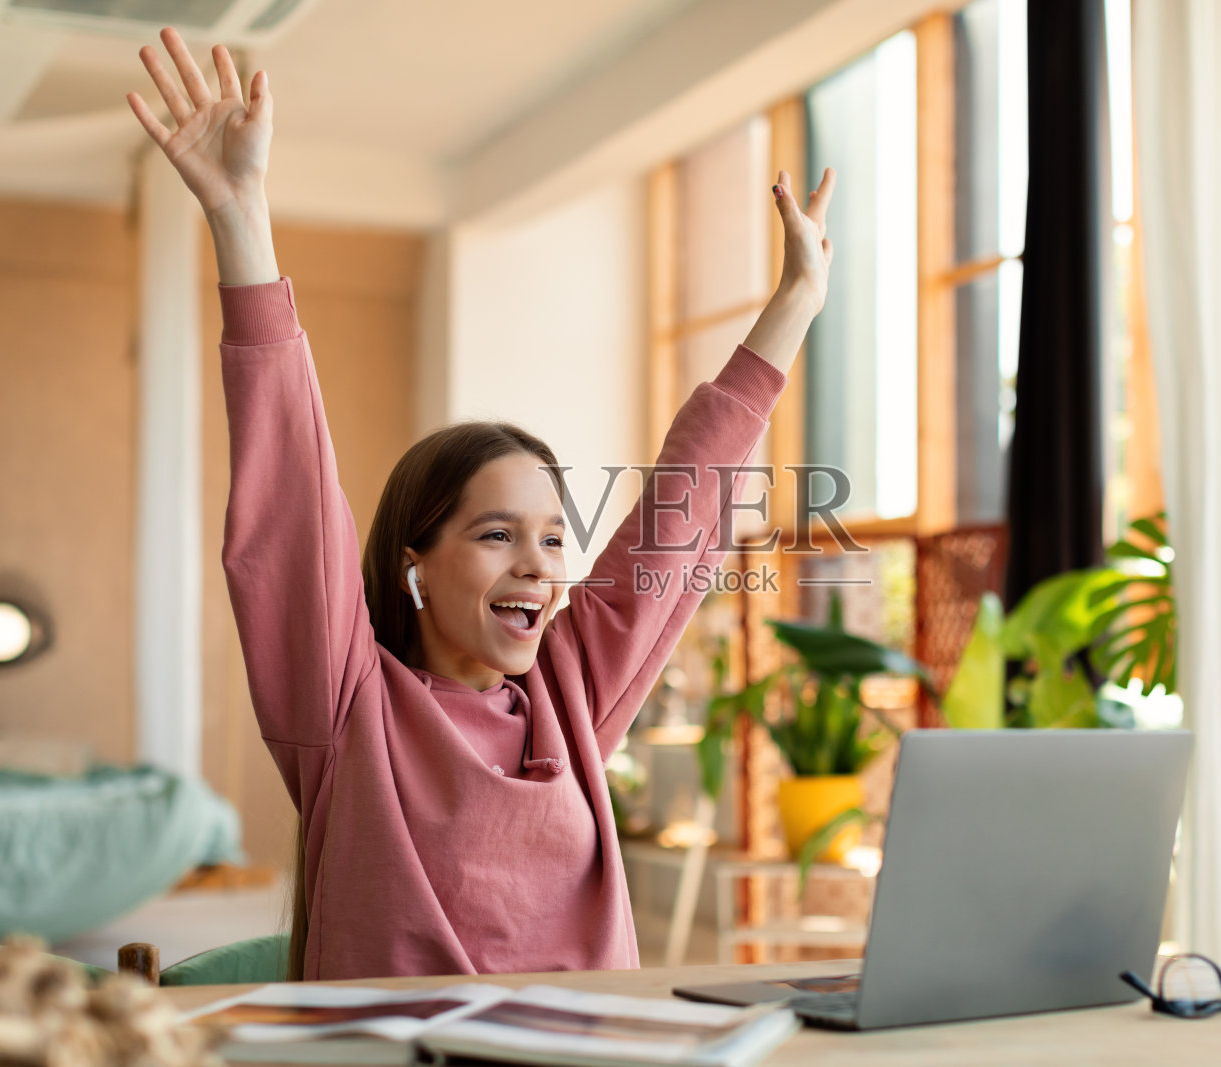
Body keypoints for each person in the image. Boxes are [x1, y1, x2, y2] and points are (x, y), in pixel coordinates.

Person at [128, 27, 835, 981]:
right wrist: (239, 216)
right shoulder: (346, 708)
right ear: (415, 559)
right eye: (497, 534)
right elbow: (290, 505)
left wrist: (794, 302)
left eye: (553, 537)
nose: (541, 565)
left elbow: (678, 519)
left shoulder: (575, 696)